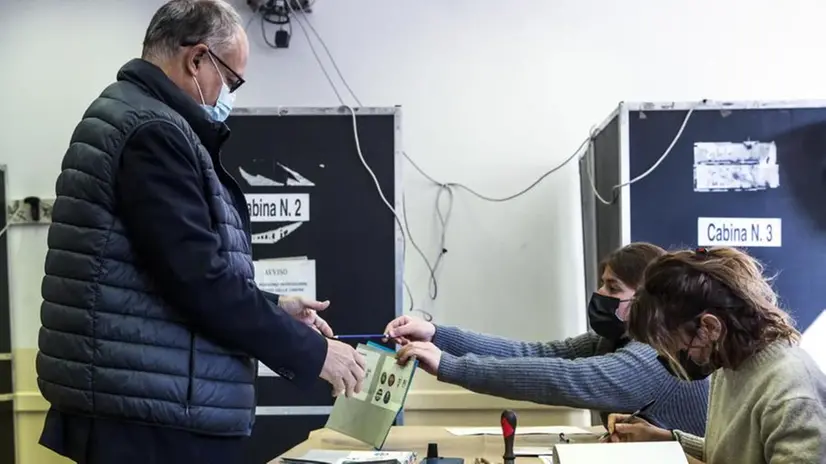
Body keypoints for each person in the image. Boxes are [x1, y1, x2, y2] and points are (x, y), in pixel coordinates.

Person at [35, 1, 365, 462]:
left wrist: (275, 307)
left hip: (143, 399)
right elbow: (198, 280)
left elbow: (167, 275)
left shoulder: (134, 117)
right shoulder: (153, 132)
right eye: (230, 80)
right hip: (150, 414)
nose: (229, 94)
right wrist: (314, 354)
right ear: (197, 60)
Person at [386, 243, 708, 435]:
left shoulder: (653, 357)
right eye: (602, 284)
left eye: (612, 287)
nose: (599, 294)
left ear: (646, 299)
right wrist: (438, 335)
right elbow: (534, 354)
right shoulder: (612, 341)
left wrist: (449, 366)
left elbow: (562, 379)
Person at [607, 247, 826, 464]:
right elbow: (731, 453)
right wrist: (664, 439)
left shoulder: (791, 392)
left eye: (673, 345)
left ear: (710, 327)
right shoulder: (729, 364)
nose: (671, 356)